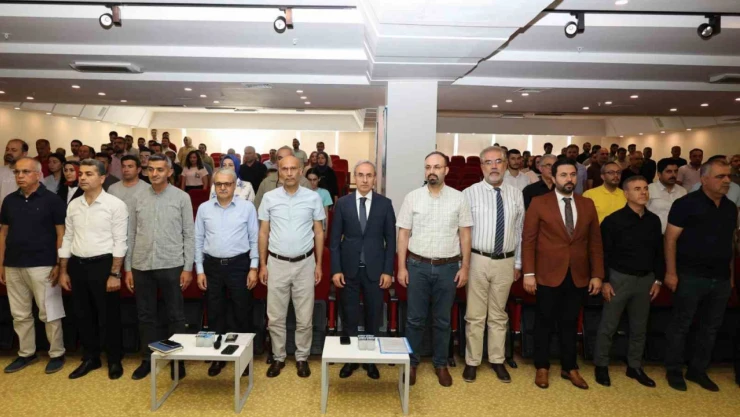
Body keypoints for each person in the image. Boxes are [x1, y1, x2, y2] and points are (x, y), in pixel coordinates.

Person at [523, 158, 603, 390]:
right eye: (564, 175)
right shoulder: (539, 202)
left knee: (570, 322)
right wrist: (529, 273)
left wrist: (597, 274)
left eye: (572, 175)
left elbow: (595, 242)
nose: (569, 179)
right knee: (544, 321)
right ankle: (542, 366)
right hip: (547, 273)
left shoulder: (587, 204)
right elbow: (528, 240)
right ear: (553, 177)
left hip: (578, 274)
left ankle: (570, 367)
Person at [396, 151, 473, 387]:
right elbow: (403, 234)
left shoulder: (459, 198)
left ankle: (441, 364)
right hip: (417, 266)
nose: (432, 171)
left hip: (448, 267)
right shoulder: (412, 197)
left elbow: (465, 235)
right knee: (414, 319)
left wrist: (465, 267)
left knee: (442, 320)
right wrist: (401, 267)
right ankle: (411, 363)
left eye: (437, 167)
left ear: (446, 170)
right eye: (428, 167)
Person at [664, 159, 736, 392]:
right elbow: (670, 239)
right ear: (704, 179)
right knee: (681, 325)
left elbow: (730, 243)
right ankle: (674, 370)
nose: (727, 180)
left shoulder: (730, 208)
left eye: (728, 176)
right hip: (690, 275)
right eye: (720, 176)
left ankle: (698, 370)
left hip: (720, 278)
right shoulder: (685, 204)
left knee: (710, 327)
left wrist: (731, 277)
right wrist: (671, 272)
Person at [125, 154, 194, 381]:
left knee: (175, 315)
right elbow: (130, 234)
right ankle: (148, 359)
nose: (154, 174)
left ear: (170, 172)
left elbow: (189, 234)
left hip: (171, 263)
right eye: (151, 169)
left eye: (160, 170)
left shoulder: (182, 197)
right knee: (146, 315)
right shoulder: (136, 197)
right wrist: (128, 268)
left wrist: (188, 267)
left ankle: (178, 360)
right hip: (141, 264)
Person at [58, 158, 128, 380]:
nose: (82, 178)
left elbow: (120, 241)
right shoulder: (74, 205)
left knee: (109, 316)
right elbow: (67, 238)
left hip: (103, 265)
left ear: (102, 178)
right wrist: (63, 270)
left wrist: (115, 273)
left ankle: (114, 359)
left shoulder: (115, 205)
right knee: (83, 315)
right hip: (78, 265)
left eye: (89, 174)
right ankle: (91, 357)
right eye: (81, 174)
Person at [593, 176, 663, 388]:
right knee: (609, 325)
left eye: (645, 188)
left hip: (646, 280)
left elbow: (658, 253)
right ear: (626, 194)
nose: (643, 192)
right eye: (637, 189)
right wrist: (605, 280)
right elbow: (603, 253)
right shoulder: (613, 221)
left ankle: (634, 366)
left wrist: (658, 280)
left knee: (639, 327)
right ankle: (601, 365)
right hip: (618, 279)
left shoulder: (654, 221)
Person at [258, 155, 325, 379]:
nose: (288, 173)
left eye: (293, 168)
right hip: (276, 263)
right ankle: (278, 357)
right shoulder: (269, 198)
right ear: (278, 171)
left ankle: (302, 357)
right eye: (284, 168)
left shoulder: (313, 197)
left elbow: (318, 232)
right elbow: (263, 233)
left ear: (301, 171)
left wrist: (319, 264)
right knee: (275, 317)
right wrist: (262, 265)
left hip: (305, 263)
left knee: (304, 317)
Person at [462, 146, 523, 384]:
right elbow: (462, 232)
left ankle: (497, 360)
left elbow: (520, 231)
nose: (494, 166)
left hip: (505, 261)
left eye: (498, 161)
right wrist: (464, 264)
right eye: (488, 162)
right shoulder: (469, 194)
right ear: (481, 167)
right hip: (477, 259)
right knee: (475, 315)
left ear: (506, 165)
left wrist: (518, 262)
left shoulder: (516, 195)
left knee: (498, 314)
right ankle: (472, 361)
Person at [0, 157, 67, 374]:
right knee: (20, 314)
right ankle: (26, 353)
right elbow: (3, 233)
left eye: (25, 172)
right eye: (17, 172)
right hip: (13, 264)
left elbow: (61, 234)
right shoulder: (9, 200)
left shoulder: (53, 200)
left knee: (49, 313)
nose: (20, 176)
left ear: (38, 175)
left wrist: (58, 263)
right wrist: (2, 263)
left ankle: (56, 353)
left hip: (43, 264)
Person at [330, 160, 396, 380]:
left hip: (376, 271)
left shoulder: (385, 204)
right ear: (354, 178)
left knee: (372, 316)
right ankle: (350, 359)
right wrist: (336, 270)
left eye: (369, 175)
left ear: (375, 178)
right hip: (348, 270)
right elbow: (334, 241)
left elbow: (391, 241)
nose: (365, 179)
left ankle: (369, 360)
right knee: (349, 316)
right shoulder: (343, 204)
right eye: (360, 175)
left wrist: (388, 271)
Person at [195, 168, 259, 377]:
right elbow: (198, 240)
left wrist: (253, 267)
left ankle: (244, 358)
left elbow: (254, 239)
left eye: (227, 184)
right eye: (219, 184)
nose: (223, 187)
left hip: (239, 265)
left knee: (242, 312)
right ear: (214, 186)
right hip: (212, 267)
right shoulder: (204, 208)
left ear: (235, 185)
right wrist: (200, 270)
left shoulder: (247, 208)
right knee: (215, 313)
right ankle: (218, 357)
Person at [646, 159, 687, 233]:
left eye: (675, 171)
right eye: (669, 171)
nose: (673, 175)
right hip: (654, 234)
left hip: (679, 235)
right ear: (659, 174)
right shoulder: (649, 190)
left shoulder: (683, 191)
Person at [2, 139, 29, 206]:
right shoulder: (1, 171)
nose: (9, 152)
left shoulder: (31, 173)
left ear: (24, 154)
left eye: (13, 150)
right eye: (7, 149)